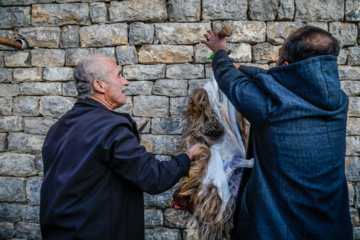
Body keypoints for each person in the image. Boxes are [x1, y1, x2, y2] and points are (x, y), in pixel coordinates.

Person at [202, 26, 353, 239]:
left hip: (281, 229)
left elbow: (231, 81)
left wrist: (220, 52)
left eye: (279, 56)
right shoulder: (338, 101)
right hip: (332, 225)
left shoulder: (270, 107)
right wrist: (243, 66)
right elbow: (281, 81)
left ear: (285, 66)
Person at [40, 55, 203, 240]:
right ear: (99, 85)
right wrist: (189, 156)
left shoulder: (58, 127)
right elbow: (153, 177)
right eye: (119, 76)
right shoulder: (111, 128)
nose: (126, 82)